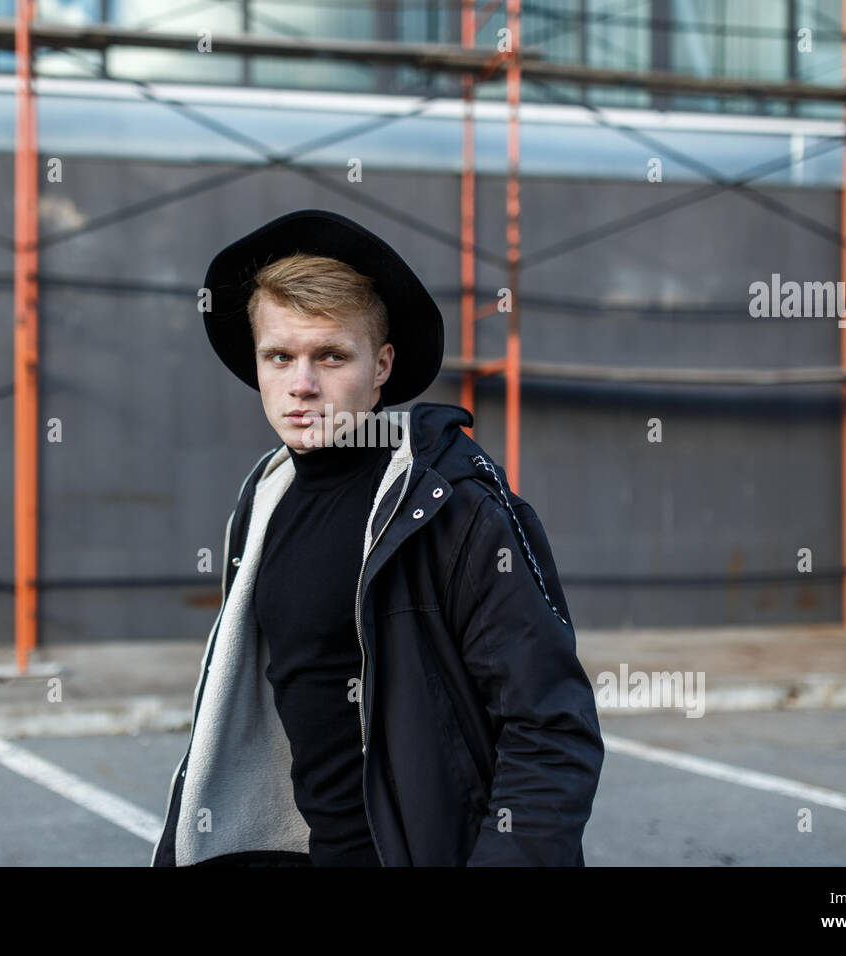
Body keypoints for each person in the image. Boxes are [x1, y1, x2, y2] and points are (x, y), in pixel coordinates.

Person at [151, 208, 604, 867]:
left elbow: (550, 729)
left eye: (330, 356)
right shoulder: (267, 494)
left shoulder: (451, 506)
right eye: (280, 357)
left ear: (382, 363)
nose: (301, 385)